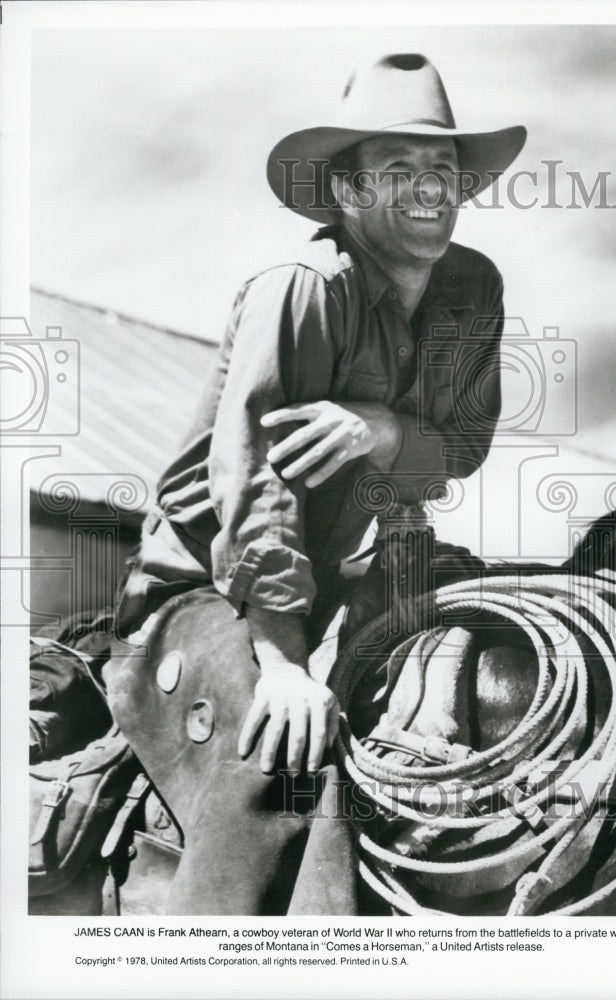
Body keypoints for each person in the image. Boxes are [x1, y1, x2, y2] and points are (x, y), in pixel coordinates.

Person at [107, 53, 526, 913]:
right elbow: (255, 485)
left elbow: (465, 445)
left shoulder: (472, 290)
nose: (426, 188)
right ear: (348, 193)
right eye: (397, 169)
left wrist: (381, 432)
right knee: (281, 754)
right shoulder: (303, 290)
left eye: (440, 168)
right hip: (216, 585)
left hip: (369, 563)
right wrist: (284, 662)